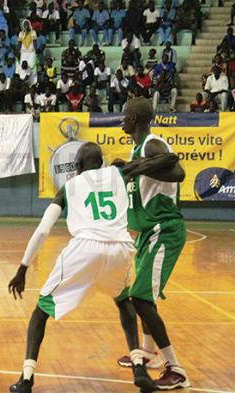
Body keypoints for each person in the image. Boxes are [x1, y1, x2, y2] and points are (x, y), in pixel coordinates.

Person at [8, 142, 182, 392]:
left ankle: (26, 379)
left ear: (78, 166)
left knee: (40, 312)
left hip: (85, 248)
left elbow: (43, 229)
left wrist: (23, 268)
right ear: (100, 162)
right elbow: (160, 162)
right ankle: (138, 367)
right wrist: (169, 156)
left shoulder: (69, 186)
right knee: (124, 302)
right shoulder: (120, 172)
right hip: (120, 249)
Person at [113, 97, 189, 390]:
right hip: (147, 232)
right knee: (144, 296)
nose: (121, 118)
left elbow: (179, 173)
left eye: (124, 114)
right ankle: (147, 352)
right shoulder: (138, 150)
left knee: (141, 299)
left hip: (164, 229)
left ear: (134, 118)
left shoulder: (151, 145)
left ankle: (176, 368)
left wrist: (138, 167)